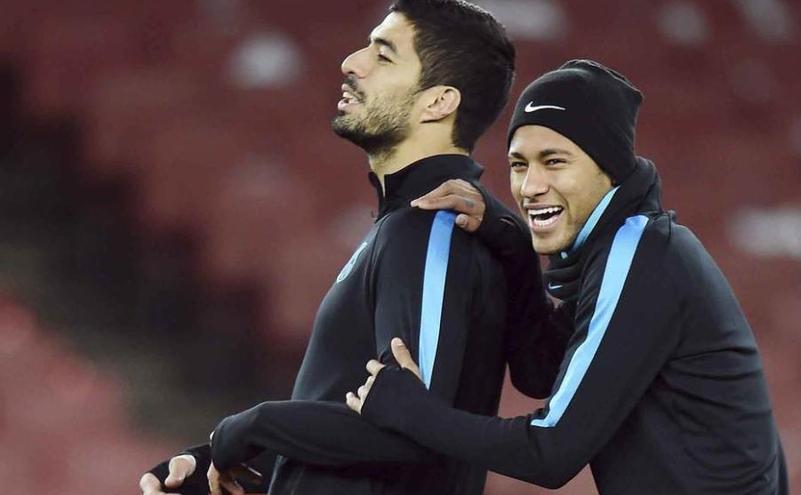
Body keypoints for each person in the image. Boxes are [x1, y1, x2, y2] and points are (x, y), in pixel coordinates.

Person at [139, 2, 575, 495]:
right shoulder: (412, 226)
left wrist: (249, 427)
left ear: (438, 102)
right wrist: (232, 462)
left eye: (383, 55)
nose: (351, 62)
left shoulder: (431, 226)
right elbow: (368, 425)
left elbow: (418, 427)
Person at [347, 59, 789, 494]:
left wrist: (411, 411)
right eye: (519, 165)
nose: (530, 186)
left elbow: (551, 452)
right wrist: (514, 244)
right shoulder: (628, 249)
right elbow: (539, 370)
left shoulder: (639, 253)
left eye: (554, 161)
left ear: (608, 168)